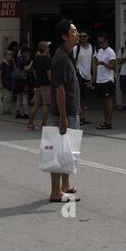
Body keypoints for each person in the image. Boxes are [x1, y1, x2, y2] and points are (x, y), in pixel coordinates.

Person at [47, 20, 82, 203]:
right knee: (59, 152)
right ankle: (56, 192)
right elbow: (59, 89)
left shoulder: (68, 54)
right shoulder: (60, 58)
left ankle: (65, 186)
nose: (77, 34)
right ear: (64, 36)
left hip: (70, 111)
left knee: (67, 152)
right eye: (74, 31)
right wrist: (62, 117)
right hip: (64, 113)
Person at [92, 33, 117, 129]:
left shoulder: (110, 52)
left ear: (107, 41)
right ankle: (105, 120)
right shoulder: (100, 51)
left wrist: (102, 63)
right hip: (100, 80)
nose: (100, 44)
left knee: (108, 101)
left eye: (102, 42)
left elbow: (113, 67)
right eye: (99, 42)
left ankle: (108, 122)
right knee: (102, 102)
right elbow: (96, 64)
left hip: (107, 80)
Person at [26, 41, 52, 131]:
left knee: (36, 104)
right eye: (48, 47)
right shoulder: (47, 60)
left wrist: (36, 77)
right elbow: (49, 74)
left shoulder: (36, 58)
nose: (49, 49)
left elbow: (30, 69)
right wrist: (53, 83)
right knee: (46, 104)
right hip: (46, 85)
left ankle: (30, 123)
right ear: (46, 49)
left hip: (37, 84)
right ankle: (43, 124)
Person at [72, 30, 94, 126]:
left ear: (88, 37)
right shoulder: (76, 48)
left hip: (88, 75)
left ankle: (83, 117)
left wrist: (94, 76)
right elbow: (72, 61)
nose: (82, 38)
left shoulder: (92, 48)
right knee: (78, 96)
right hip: (78, 74)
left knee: (85, 97)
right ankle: (79, 116)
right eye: (80, 36)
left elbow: (94, 62)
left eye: (84, 36)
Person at [0, 41, 18, 115]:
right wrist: (0, 83)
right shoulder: (3, 64)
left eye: (11, 55)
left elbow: (15, 70)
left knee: (10, 97)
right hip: (4, 82)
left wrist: (14, 62)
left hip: (10, 82)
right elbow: (0, 74)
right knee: (6, 97)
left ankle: (7, 109)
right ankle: (3, 110)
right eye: (9, 55)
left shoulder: (11, 63)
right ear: (5, 56)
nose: (11, 56)